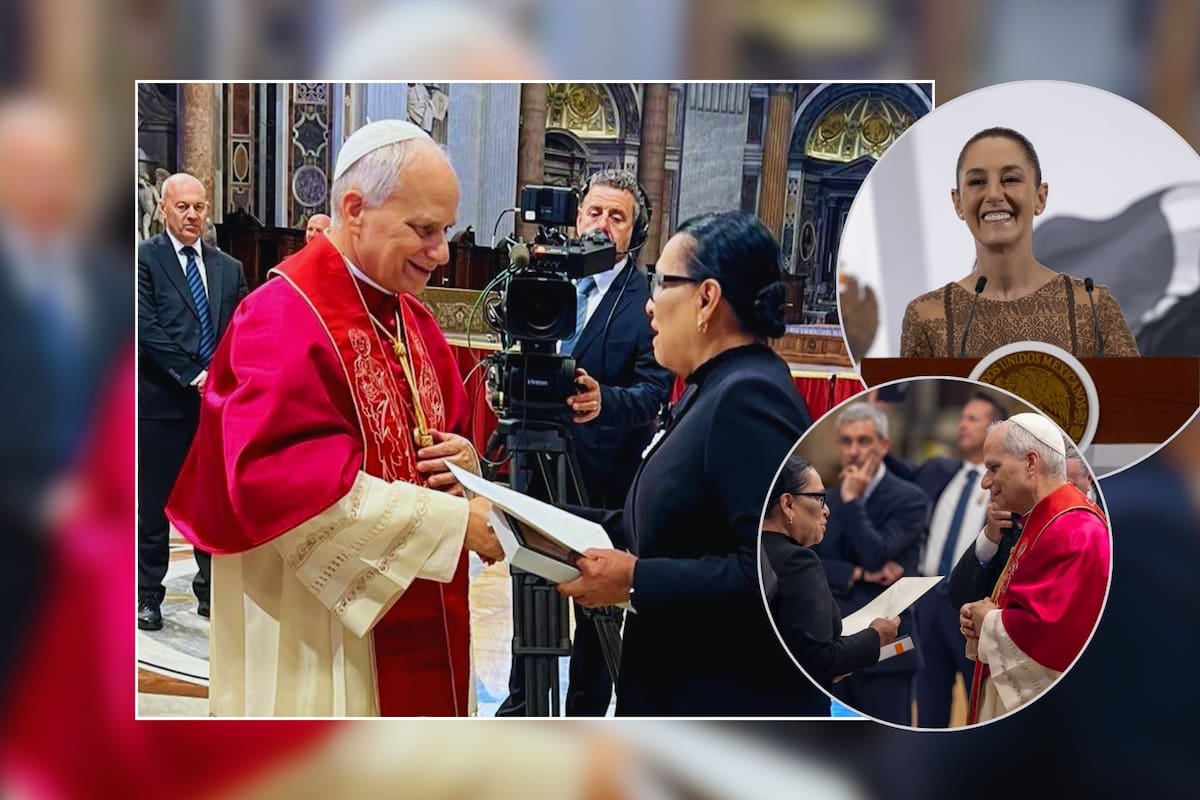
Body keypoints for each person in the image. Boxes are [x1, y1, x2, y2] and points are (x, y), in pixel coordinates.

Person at [165, 120, 504, 716]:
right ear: (355, 209)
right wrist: (452, 525)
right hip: (321, 631)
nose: (442, 252)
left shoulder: (414, 319)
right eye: (424, 229)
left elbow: (453, 433)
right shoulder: (280, 318)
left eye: (446, 230)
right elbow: (279, 483)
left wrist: (466, 465)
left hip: (422, 611)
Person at [528, 210, 819, 715]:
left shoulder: (749, 397)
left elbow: (774, 573)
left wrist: (636, 579)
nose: (648, 304)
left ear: (706, 298)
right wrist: (530, 521)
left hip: (723, 704)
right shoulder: (713, 386)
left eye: (662, 282)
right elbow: (662, 529)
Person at [496, 169, 671, 717]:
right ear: (577, 217)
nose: (602, 224)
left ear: (635, 233)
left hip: (602, 483)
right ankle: (522, 708)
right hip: (534, 474)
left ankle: (585, 722)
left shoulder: (646, 300)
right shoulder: (540, 279)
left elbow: (653, 391)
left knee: (597, 617)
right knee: (531, 600)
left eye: (617, 217)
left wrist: (605, 402)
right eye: (594, 212)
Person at [899, 127, 1139, 358]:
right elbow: (906, 400)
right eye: (977, 182)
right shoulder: (927, 316)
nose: (993, 194)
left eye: (1010, 179)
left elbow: (1139, 396)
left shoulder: (1093, 307)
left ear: (1040, 197)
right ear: (958, 203)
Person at [137, 172, 248, 630]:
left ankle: (211, 591)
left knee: (210, 503)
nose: (192, 215)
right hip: (163, 403)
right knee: (154, 505)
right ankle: (148, 596)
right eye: (182, 207)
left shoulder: (229, 267)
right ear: (164, 208)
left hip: (215, 408)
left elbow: (242, 328)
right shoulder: (145, 259)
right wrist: (193, 375)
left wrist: (225, 378)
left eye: (199, 207)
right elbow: (146, 328)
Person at [957, 413, 1109, 724]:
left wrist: (989, 621)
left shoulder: (1078, 530)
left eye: (993, 468)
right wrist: (980, 619)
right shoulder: (1040, 519)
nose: (986, 482)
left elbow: (1059, 639)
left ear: (1030, 462)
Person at [888, 392, 1009, 727]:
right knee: (927, 698)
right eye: (962, 417)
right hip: (926, 600)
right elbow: (897, 471)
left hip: (971, 606)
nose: (962, 424)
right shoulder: (943, 472)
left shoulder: (1004, 486)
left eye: (973, 419)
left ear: (996, 428)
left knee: (977, 701)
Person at [811, 402, 929, 725]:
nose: (854, 450)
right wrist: (857, 573)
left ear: (884, 445)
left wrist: (851, 502)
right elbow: (810, 564)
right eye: (846, 441)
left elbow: (876, 552)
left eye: (864, 441)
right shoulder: (823, 498)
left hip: (889, 650)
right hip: (834, 644)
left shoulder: (910, 499)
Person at [761, 455, 899, 691]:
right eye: (819, 498)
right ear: (788, 504)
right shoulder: (797, 561)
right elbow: (820, 659)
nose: (827, 510)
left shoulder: (750, 551)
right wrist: (876, 636)